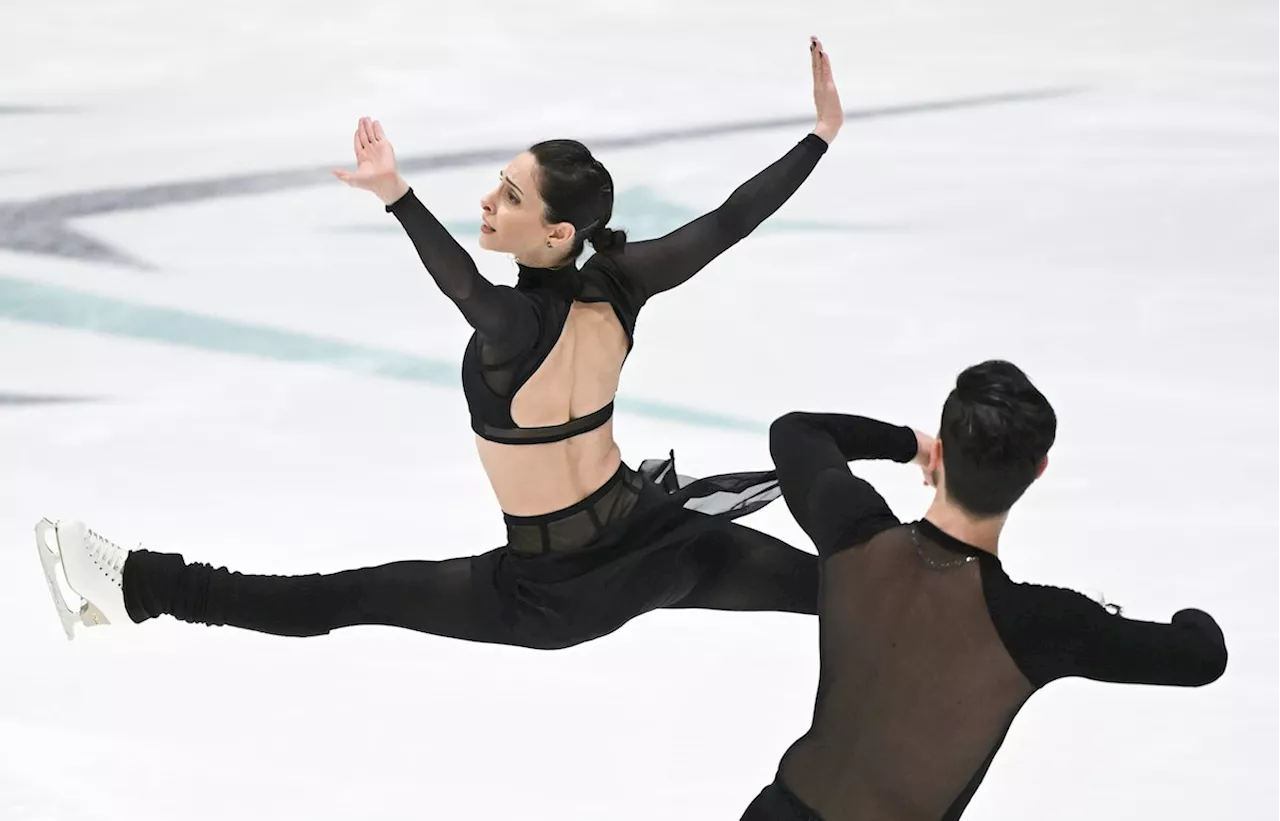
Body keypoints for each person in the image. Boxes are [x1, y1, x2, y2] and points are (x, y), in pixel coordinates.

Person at [36, 36, 843, 648]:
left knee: (344, 596)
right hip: (654, 543)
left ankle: (133, 585)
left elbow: (467, 289)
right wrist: (820, 135)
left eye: (511, 194)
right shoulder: (623, 283)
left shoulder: (517, 326)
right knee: (843, 587)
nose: (489, 200)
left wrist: (399, 196)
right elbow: (733, 219)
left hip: (554, 593)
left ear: (556, 232)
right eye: (499, 180)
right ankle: (956, 584)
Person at [740, 359, 1228, 821]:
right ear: (1037, 471)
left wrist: (910, 445)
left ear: (942, 453)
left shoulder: (852, 531)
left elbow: (796, 430)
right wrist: (1183, 613)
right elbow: (1201, 656)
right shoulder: (1043, 623)